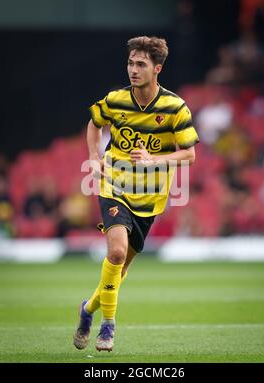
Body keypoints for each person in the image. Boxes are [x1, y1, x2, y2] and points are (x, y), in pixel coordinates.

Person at [73, 36, 199, 352]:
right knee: (115, 253)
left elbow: (189, 155)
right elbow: (94, 123)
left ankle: (88, 310)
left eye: (140, 64)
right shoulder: (116, 100)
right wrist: (93, 156)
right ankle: (108, 329)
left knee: (121, 269)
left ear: (157, 68)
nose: (133, 69)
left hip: (150, 199)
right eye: (130, 63)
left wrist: (155, 159)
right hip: (114, 186)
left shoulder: (175, 107)